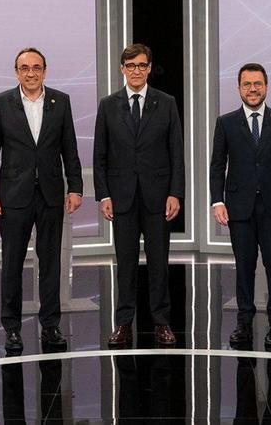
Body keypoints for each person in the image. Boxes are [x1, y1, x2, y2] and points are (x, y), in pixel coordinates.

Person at [0, 48, 84, 352]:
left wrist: (75, 187)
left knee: (51, 261)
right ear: (16, 72)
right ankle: (11, 327)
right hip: (13, 196)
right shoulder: (1, 103)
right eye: (24, 68)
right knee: (11, 263)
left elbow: (70, 150)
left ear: (45, 71)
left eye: (36, 67)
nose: (31, 73)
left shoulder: (60, 102)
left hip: (51, 195)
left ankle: (50, 325)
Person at [94, 43, 185, 347]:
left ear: (149, 68)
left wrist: (175, 192)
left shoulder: (167, 102)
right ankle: (123, 323)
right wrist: (103, 194)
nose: (136, 71)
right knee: (126, 262)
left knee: (159, 262)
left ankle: (161, 322)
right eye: (130, 65)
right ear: (122, 69)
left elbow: (177, 153)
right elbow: (100, 154)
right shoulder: (108, 105)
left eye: (141, 65)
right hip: (122, 197)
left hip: (158, 197)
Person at [209, 62, 271, 350]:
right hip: (239, 207)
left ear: (266, 86)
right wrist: (218, 200)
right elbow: (217, 166)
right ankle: (243, 323)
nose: (252, 89)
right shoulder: (226, 122)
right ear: (238, 88)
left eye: (257, 84)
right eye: (247, 84)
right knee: (244, 267)